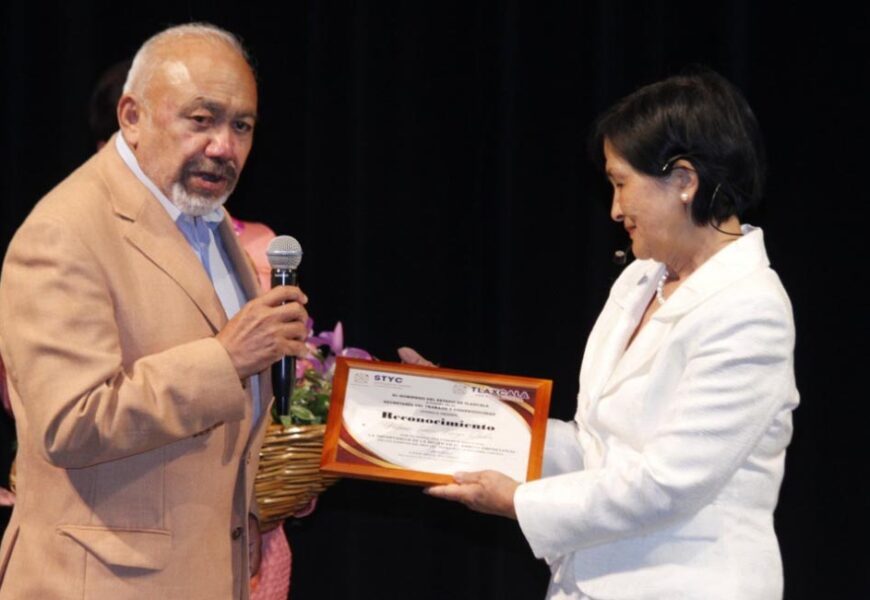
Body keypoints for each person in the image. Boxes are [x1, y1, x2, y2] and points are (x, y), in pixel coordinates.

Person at [427, 69, 799, 599]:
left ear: (684, 181)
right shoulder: (641, 279)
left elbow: (668, 483)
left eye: (621, 183)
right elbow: (595, 446)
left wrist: (517, 502)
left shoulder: (750, 307)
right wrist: (460, 408)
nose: (615, 209)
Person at [0, 23, 309, 600]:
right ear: (131, 116)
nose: (224, 145)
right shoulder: (63, 232)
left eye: (241, 126)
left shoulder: (206, 219)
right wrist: (225, 359)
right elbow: (69, 422)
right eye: (201, 118)